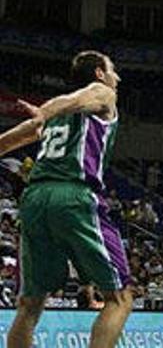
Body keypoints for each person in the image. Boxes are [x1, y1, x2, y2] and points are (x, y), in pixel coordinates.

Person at [0, 51, 133, 348]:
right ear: (99, 73)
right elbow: (73, 101)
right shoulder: (103, 93)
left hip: (34, 199)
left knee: (29, 304)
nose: (118, 77)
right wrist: (46, 111)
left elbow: (11, 140)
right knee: (120, 299)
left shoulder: (60, 111)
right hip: (74, 195)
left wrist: (45, 114)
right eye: (113, 70)